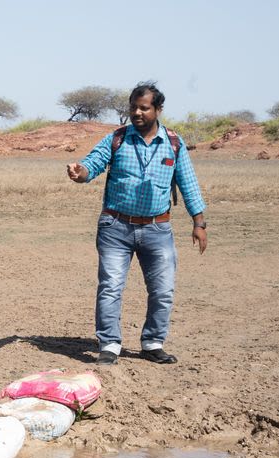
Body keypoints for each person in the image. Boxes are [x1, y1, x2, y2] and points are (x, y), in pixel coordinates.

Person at [66, 82, 207, 366]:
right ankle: (109, 344)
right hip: (115, 227)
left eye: (144, 108)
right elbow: (92, 164)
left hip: (158, 229)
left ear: (158, 109)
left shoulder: (174, 143)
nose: (138, 113)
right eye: (134, 107)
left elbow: (189, 183)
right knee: (111, 286)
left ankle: (153, 343)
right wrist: (80, 172)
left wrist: (199, 222)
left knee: (163, 289)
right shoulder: (116, 139)